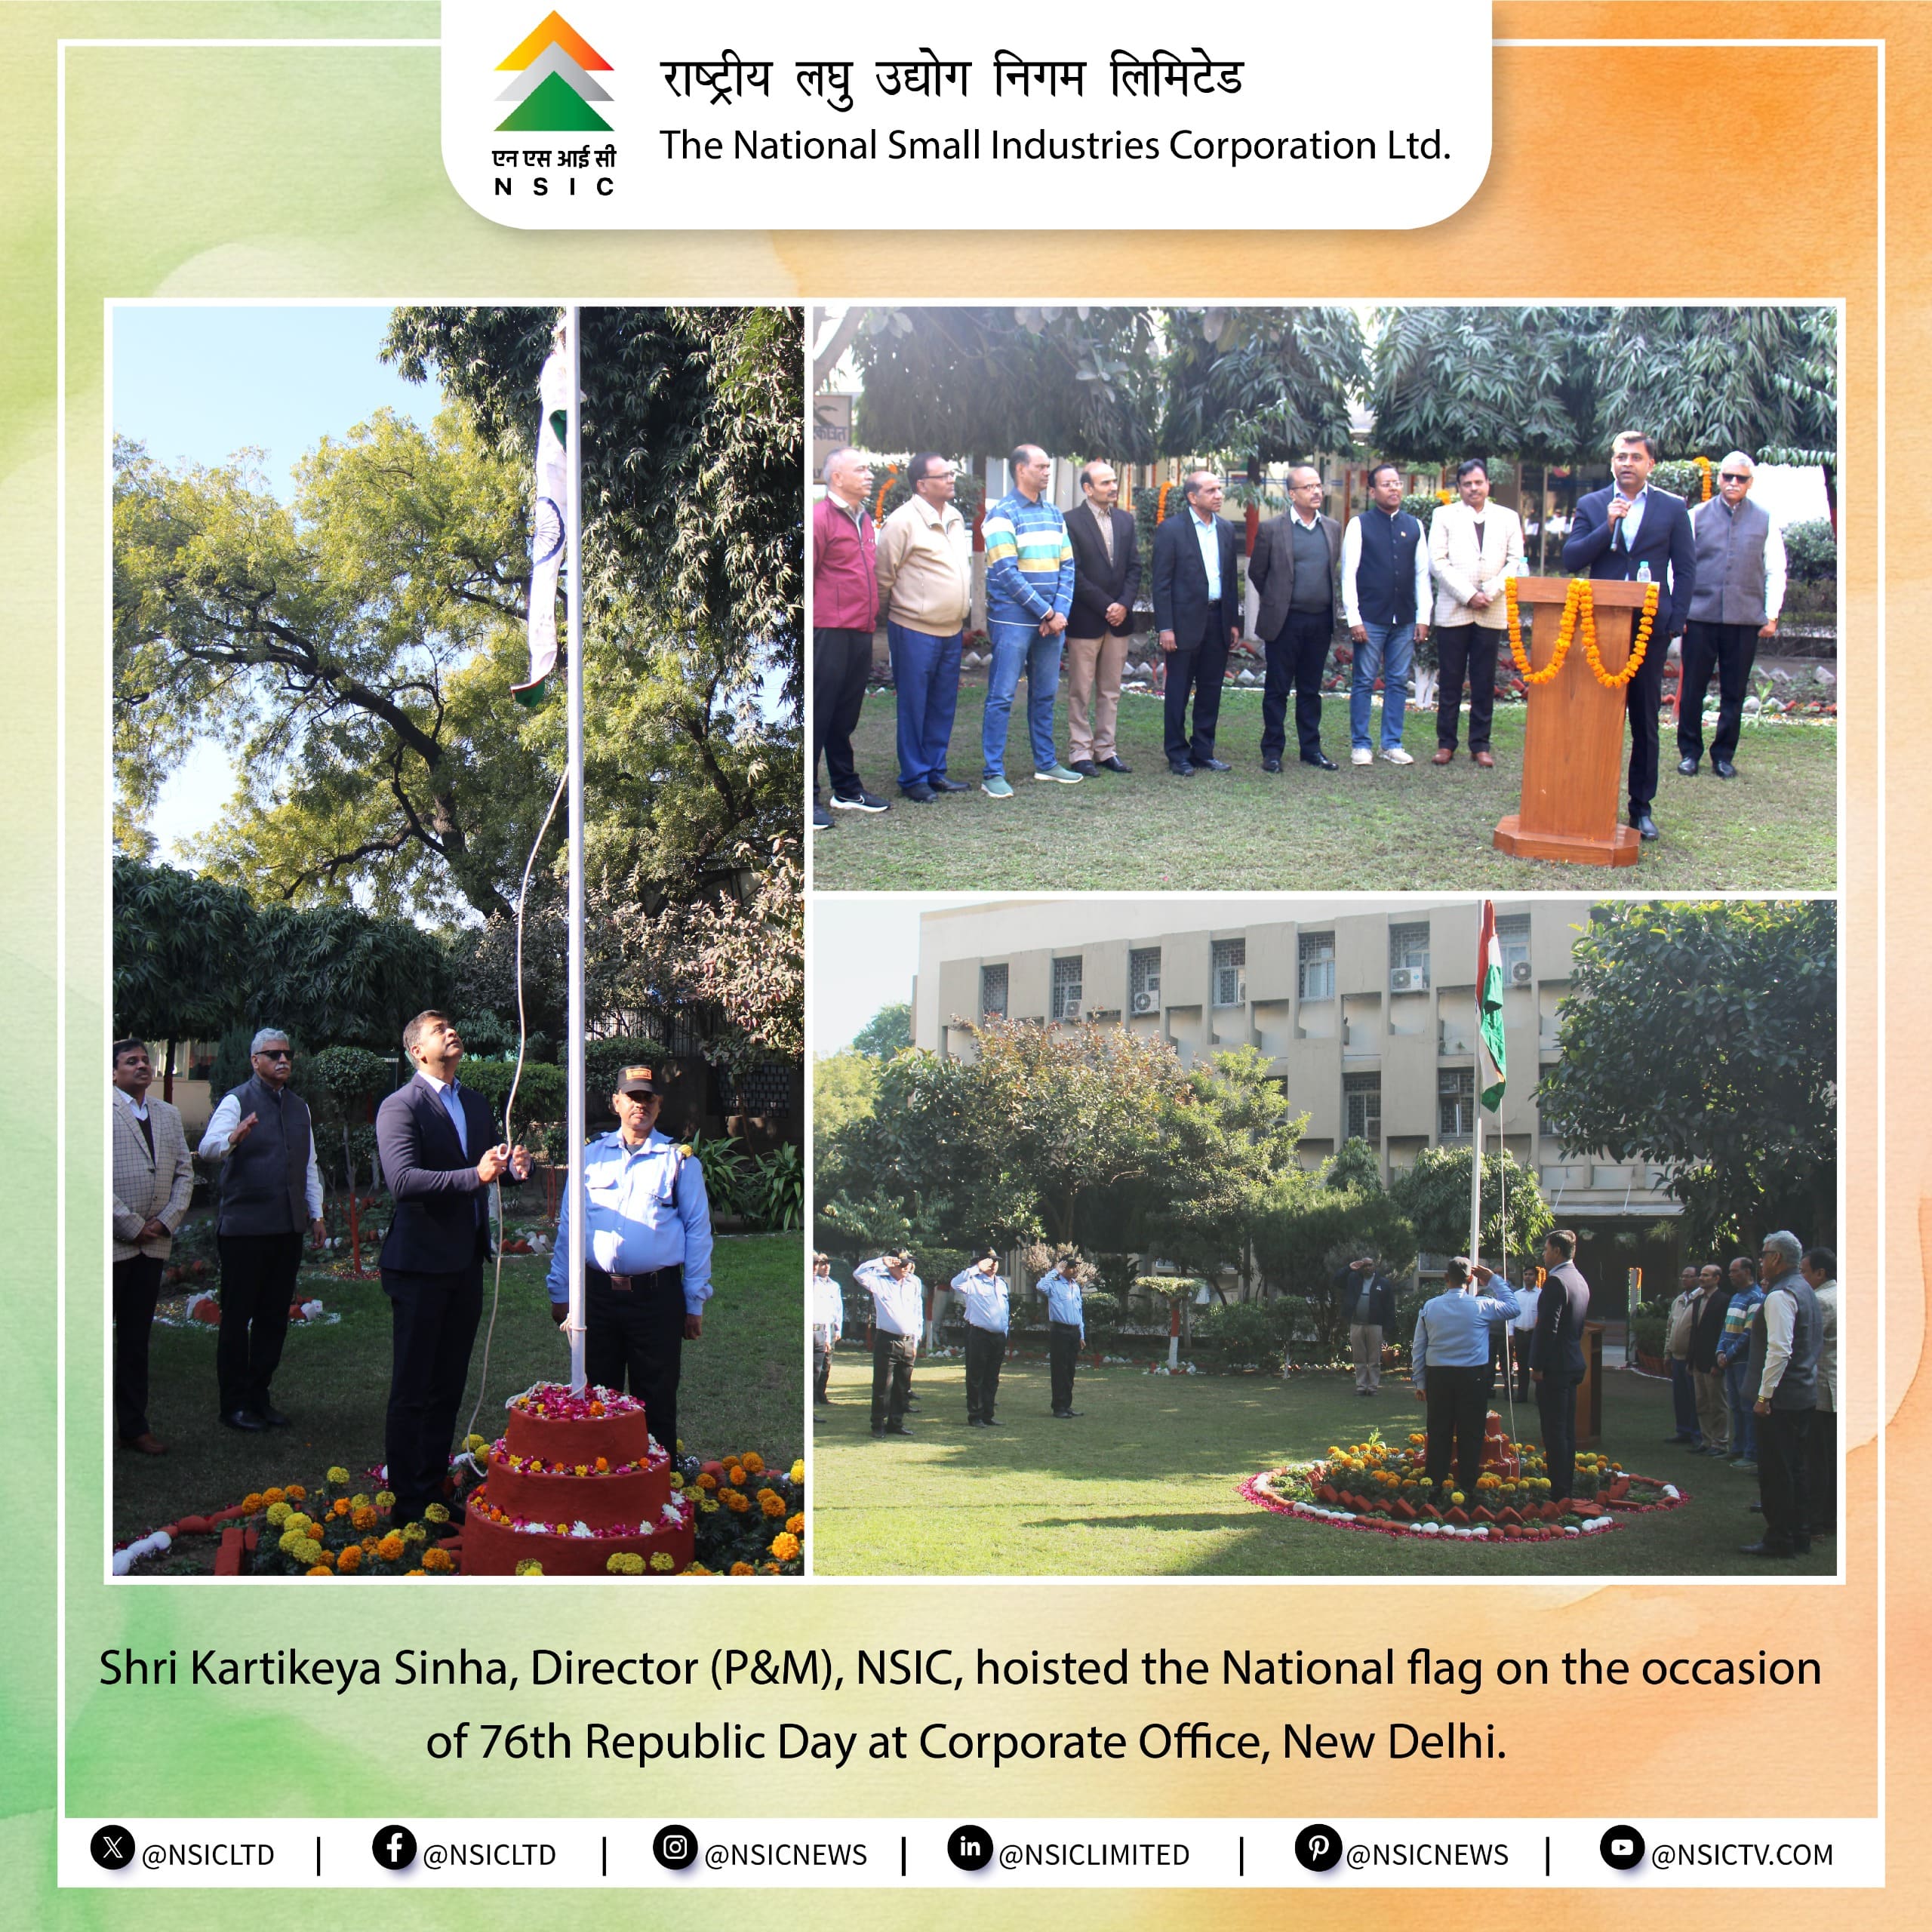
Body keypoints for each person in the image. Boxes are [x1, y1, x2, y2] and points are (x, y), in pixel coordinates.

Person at [374, 1011, 530, 1524]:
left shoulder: (475, 1103)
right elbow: (404, 1182)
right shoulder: (400, 1107)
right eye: (439, 1030)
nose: (451, 1033)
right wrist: (475, 1176)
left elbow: (488, 1170)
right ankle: (406, 1502)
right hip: (418, 1267)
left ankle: (432, 1488)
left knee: (448, 1385)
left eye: (451, 1026)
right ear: (418, 1050)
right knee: (413, 1387)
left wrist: (512, 1172)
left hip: (464, 1264)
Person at [546, 1064, 712, 1460]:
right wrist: (561, 1289)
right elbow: (571, 1226)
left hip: (656, 1298)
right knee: (596, 1398)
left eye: (648, 1098)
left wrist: (694, 1302)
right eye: (632, 1097)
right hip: (597, 1296)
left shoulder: (680, 1161)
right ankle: (599, 1488)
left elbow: (698, 1233)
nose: (641, 1105)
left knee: (655, 1399)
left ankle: (657, 1497)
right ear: (616, 1102)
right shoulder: (588, 1157)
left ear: (659, 1105)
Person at [1560, 430, 1697, 841]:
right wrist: (1607, 526)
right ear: (1611, 461)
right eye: (1621, 456)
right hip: (1600, 622)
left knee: (1643, 719)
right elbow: (1572, 559)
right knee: (1595, 718)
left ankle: (1641, 808)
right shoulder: (1592, 504)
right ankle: (1588, 801)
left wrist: (1676, 620)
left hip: (1648, 627)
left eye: (1636, 457)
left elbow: (1686, 569)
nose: (1627, 463)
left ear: (1650, 464)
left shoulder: (1673, 508)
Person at [198, 1027, 325, 1432]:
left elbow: (308, 1165)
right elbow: (208, 1147)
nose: (283, 1060)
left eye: (287, 1054)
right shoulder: (237, 1099)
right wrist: (231, 1140)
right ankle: (233, 1405)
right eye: (273, 1055)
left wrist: (316, 1213)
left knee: (273, 1318)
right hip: (244, 1230)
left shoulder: (299, 1107)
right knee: (237, 1319)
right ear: (256, 1061)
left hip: (286, 1228)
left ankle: (259, 1397)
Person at [1677, 452, 1786, 780]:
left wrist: (1771, 614)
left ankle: (1723, 755)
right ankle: (1689, 753)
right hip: (1699, 616)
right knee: (1693, 689)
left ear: (1750, 483)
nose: (1733, 483)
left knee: (1734, 692)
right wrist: (1679, 609)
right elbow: (1679, 567)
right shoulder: (1695, 515)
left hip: (1743, 619)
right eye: (1727, 477)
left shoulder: (1766, 520)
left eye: (1740, 478)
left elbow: (1775, 570)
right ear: (1719, 479)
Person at [110, 1038, 195, 1455]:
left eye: (146, 1059)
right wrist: (129, 1224)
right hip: (111, 1246)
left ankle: (134, 1427)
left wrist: (166, 1221)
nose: (142, 1066)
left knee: (135, 1340)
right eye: (132, 1061)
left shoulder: (168, 1114)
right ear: (112, 1072)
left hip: (153, 1246)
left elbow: (185, 1171)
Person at [980, 444, 1079, 795]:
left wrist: (1060, 612)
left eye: (1049, 466)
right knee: (1002, 695)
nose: (1047, 472)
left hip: (1051, 622)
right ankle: (992, 772)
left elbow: (1067, 565)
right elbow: (1007, 572)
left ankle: (1046, 764)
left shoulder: (1054, 514)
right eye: (1041, 466)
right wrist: (1047, 612)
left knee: (1045, 694)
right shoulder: (1001, 515)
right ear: (1021, 469)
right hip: (1014, 621)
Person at [875, 452, 973, 803]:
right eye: (943, 475)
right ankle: (914, 777)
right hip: (913, 628)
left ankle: (935, 771)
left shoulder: (957, 517)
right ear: (921, 484)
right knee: (915, 705)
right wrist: (896, 615)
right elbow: (884, 576)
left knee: (942, 704)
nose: (951, 480)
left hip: (950, 628)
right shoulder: (902, 521)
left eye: (951, 474)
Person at [1428, 457, 1525, 767]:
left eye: (1478, 483)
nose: (1473, 488)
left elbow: (1515, 561)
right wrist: (1469, 595)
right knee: (1451, 678)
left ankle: (1480, 743)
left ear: (1488, 485)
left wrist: (1490, 592)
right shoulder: (1443, 515)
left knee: (1484, 679)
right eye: (1467, 484)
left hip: (1492, 608)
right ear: (1459, 487)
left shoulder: (1508, 517)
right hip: (1455, 608)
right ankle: (1446, 743)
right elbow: (1438, 562)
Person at [1247, 466, 1343, 772]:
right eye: (1308, 487)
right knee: (1277, 689)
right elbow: (1257, 573)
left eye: (1318, 485)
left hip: (1319, 623)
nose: (1317, 492)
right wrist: (1279, 601)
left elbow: (1331, 570)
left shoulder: (1332, 527)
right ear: (1292, 494)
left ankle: (1311, 749)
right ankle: (1273, 751)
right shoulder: (1272, 529)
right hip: (1285, 623)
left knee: (1310, 690)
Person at [811, 446, 888, 827]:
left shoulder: (865, 520)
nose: (869, 475)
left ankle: (846, 789)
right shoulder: (820, 518)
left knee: (845, 716)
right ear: (837, 477)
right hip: (829, 630)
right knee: (820, 713)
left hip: (861, 629)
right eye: (860, 470)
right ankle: (807, 798)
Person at [1149, 468, 1243, 777]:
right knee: (1178, 690)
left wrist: (1232, 621)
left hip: (1218, 620)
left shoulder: (1226, 530)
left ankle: (1203, 751)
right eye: (1211, 490)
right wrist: (1165, 627)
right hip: (1183, 623)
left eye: (1219, 489)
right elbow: (1161, 582)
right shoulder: (1172, 530)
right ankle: (1177, 754)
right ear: (1192, 497)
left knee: (1211, 689)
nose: (1219, 495)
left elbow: (1230, 579)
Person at [1338, 462, 1429, 766]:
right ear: (1373, 490)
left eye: (1397, 483)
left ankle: (1391, 743)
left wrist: (1423, 616)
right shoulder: (1359, 524)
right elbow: (1348, 574)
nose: (1394, 488)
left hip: (1403, 618)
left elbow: (1421, 575)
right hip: (1371, 618)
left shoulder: (1415, 526)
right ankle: (1361, 744)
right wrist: (1354, 618)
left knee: (1398, 681)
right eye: (1387, 484)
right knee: (1364, 680)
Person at [1743, 1229, 1823, 1558]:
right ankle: (1798, 1534)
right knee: (1796, 1470)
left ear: (1776, 1258)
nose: (1760, 1261)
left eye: (1763, 1255)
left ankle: (1780, 1539)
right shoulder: (1804, 1288)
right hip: (1802, 1394)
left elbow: (1779, 1350)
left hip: (1781, 1400)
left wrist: (1764, 1397)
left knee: (1777, 1472)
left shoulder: (1780, 1295)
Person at [1411, 1258, 1519, 1497]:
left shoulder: (1430, 1307)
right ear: (1470, 1279)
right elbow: (1514, 1307)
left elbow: (1419, 1347)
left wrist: (1420, 1381)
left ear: (1446, 1278)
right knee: (1471, 1433)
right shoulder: (1481, 1305)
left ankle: (1434, 1486)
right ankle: (1468, 1487)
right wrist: (1493, 1280)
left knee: (1439, 1431)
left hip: (1439, 1376)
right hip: (1472, 1378)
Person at [1062, 460, 1141, 777]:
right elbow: (1074, 573)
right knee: (1080, 689)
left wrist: (1122, 605)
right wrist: (1107, 604)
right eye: (1105, 482)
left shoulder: (1125, 520)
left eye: (1113, 482)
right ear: (1087, 488)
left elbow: (1134, 567)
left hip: (1119, 621)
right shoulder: (1070, 521)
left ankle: (1106, 750)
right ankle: (1080, 751)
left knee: (1111, 689)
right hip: (1086, 619)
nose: (1113, 487)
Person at [1531, 1228, 1590, 1502]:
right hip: (1572, 1361)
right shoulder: (1578, 1279)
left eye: (1545, 1249)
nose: (1543, 1255)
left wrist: (1537, 1366)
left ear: (1556, 1250)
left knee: (1554, 1431)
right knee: (1565, 1430)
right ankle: (1565, 1483)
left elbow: (1547, 1330)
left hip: (1555, 1366)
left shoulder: (1556, 1282)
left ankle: (1559, 1490)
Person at [855, 1250, 923, 1436]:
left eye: (909, 1264)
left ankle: (896, 1423)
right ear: (893, 1264)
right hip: (888, 1340)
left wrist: (916, 1340)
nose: (907, 1267)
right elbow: (859, 1274)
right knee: (883, 1386)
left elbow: (918, 1312)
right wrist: (881, 1261)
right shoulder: (880, 1281)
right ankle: (878, 1424)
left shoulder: (914, 1283)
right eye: (903, 1264)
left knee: (902, 1387)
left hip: (908, 1341)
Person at [1715, 1254, 1764, 1470]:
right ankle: (1737, 1447)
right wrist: (1719, 1350)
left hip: (1743, 1362)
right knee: (1735, 1406)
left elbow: (1749, 1332)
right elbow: (1727, 1328)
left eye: (1734, 1271)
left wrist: (1730, 1354)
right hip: (1730, 1360)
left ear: (1747, 1272)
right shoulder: (1736, 1297)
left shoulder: (1756, 1297)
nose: (1731, 1275)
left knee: (1746, 1407)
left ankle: (1750, 1452)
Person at [1801, 1246, 1838, 1534]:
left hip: (1824, 1388)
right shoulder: (1839, 1294)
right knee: (1829, 1455)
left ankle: (1820, 1516)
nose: (1802, 1278)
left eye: (1805, 1272)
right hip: (1834, 1384)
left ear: (1820, 1273)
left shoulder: (1822, 1301)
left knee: (1820, 1457)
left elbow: (1807, 1341)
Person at [952, 1251, 1010, 1426]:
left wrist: (1005, 1331)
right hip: (979, 1335)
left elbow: (1005, 1310)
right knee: (976, 1377)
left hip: (998, 1337)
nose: (993, 1264)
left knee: (992, 1378)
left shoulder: (1001, 1284)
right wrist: (975, 1269)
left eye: (996, 1261)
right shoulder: (972, 1282)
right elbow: (955, 1283)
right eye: (989, 1261)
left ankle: (988, 1414)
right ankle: (975, 1415)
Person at [1334, 1252, 1398, 1396]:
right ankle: (1361, 1386)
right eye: (1364, 1265)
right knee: (1359, 1358)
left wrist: (1387, 1327)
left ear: (1374, 1266)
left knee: (1374, 1359)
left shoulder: (1383, 1283)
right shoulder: (1353, 1279)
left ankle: (1373, 1387)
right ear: (1360, 1267)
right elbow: (1337, 1281)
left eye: (1370, 1265)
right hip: (1356, 1324)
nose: (1367, 1268)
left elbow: (1389, 1307)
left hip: (1375, 1325)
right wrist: (1349, 1268)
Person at [1689, 1260, 1734, 1458]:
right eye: (1701, 1275)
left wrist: (1719, 1363)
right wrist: (1690, 1360)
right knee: (1702, 1403)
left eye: (1707, 1275)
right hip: (1698, 1360)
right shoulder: (1698, 1300)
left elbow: (1722, 1333)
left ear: (1717, 1279)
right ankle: (1706, 1440)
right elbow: (1695, 1332)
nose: (1702, 1278)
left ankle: (1720, 1442)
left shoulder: (1724, 1300)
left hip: (1713, 1361)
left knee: (1718, 1404)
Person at [1036, 1247, 1088, 1417]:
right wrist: (1055, 1271)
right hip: (1060, 1331)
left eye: (1075, 1267)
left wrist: (1081, 1335)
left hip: (1073, 1332)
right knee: (1059, 1370)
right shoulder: (1054, 1285)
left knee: (1070, 1371)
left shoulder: (1075, 1287)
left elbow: (1079, 1312)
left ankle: (1067, 1405)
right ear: (1063, 1268)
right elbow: (1040, 1286)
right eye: (1071, 1267)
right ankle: (1058, 1407)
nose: (1074, 1270)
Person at [1663, 1263, 1704, 1446]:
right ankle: (1683, 1431)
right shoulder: (1678, 1300)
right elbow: (1670, 1327)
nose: (1685, 1279)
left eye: (1689, 1276)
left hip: (1691, 1357)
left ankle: (1697, 1433)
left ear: (1697, 1279)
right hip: (1676, 1356)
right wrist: (1667, 1352)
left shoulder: (1702, 1299)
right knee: (1680, 1397)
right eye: (1683, 1276)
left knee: (1695, 1397)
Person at [811, 1253, 842, 1405]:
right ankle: (814, 1395)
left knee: (826, 1363)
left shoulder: (834, 1286)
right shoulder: (815, 1283)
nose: (826, 1267)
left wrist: (838, 1329)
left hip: (828, 1326)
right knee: (815, 1363)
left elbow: (838, 1308)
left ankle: (821, 1393)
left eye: (828, 1263)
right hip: (817, 1326)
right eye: (823, 1263)